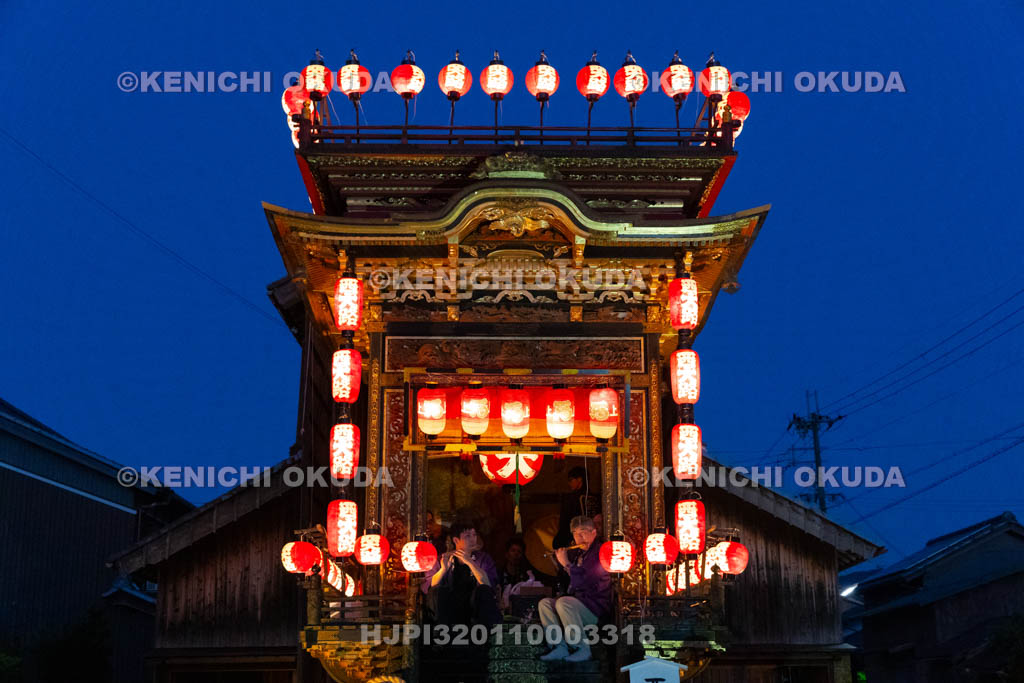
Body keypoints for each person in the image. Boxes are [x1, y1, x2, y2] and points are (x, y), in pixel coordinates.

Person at [538, 516, 611, 662]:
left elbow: (582, 582)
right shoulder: (578, 553)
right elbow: (567, 580)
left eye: (583, 532)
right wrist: (558, 561)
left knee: (564, 602)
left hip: (594, 609)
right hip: (577, 606)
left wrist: (566, 564)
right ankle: (559, 647)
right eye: (576, 534)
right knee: (545, 604)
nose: (579, 537)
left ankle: (582, 648)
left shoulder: (600, 553)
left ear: (594, 532)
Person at [426, 522, 502, 626]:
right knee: (438, 591)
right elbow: (432, 586)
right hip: (450, 608)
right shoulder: (443, 558)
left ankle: (484, 634)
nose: (473, 539)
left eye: (474, 535)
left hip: (474, 607)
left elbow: (487, 584)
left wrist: (470, 562)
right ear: (456, 540)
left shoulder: (484, 559)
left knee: (484, 590)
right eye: (467, 536)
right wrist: (443, 569)